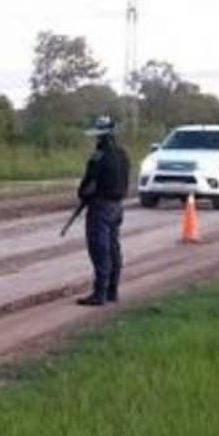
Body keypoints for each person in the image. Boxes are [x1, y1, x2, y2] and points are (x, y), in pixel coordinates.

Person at [76, 115, 130, 306]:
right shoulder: (122, 154)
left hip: (100, 207)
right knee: (114, 249)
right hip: (117, 207)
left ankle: (99, 293)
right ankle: (112, 291)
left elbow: (87, 185)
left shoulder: (98, 157)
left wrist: (83, 195)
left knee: (100, 250)